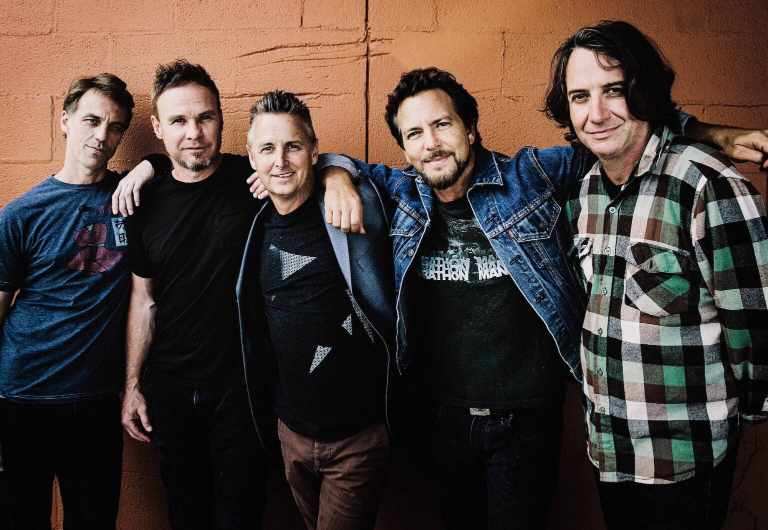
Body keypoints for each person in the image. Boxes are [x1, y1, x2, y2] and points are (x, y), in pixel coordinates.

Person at [306, 63, 768, 529]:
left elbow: (620, 135)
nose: (431, 143)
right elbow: (332, 160)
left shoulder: (532, 175)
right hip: (439, 419)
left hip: (525, 422)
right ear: (405, 148)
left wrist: (710, 134)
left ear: (470, 127)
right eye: (414, 134)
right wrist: (337, 176)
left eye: (442, 124)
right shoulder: (402, 191)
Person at [543, 20, 768, 530]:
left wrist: (746, 414)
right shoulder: (585, 190)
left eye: (614, 90)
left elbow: (755, 320)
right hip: (610, 450)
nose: (596, 113)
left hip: (684, 458)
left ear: (642, 90)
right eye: (580, 97)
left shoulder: (706, 183)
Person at [237, 90, 394, 530]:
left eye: (292, 146)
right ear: (251, 156)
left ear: (313, 151)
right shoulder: (251, 221)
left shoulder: (353, 208)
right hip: (290, 434)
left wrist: (338, 173)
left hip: (356, 437)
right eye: (267, 149)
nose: (280, 161)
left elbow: (407, 177)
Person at [120, 59, 267, 530]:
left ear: (221, 119)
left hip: (243, 392)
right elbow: (143, 300)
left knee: (240, 517)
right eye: (179, 121)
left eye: (205, 118)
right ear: (158, 128)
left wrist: (338, 176)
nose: (194, 133)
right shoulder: (143, 201)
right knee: (185, 515)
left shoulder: (255, 182)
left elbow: (312, 160)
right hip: (171, 391)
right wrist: (132, 385)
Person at [0, 73, 135, 530]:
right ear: (65, 120)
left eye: (115, 127)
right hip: (22, 396)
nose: (101, 136)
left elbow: (179, 172)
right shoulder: (20, 214)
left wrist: (147, 168)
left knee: (94, 521)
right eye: (91, 120)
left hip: (95, 399)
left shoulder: (131, 198)